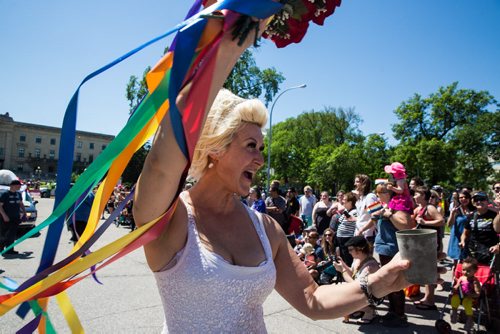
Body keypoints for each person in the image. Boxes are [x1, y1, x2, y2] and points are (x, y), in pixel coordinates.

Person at [133, 16, 411, 332]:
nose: (260, 160)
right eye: (251, 145)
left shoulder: (265, 227)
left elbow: (313, 299)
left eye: (261, 149)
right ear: (215, 147)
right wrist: (236, 40)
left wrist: (376, 285)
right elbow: (159, 163)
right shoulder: (170, 218)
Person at [373, 182, 414, 327]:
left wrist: (389, 215)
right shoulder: (387, 205)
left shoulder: (397, 206)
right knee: (388, 283)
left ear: (387, 193)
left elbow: (406, 225)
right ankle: (392, 311)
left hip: (393, 249)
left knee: (395, 283)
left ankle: (399, 315)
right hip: (384, 248)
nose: (377, 195)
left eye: (380, 192)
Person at [333, 236, 380, 324]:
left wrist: (342, 271)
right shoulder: (357, 259)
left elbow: (356, 287)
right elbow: (352, 273)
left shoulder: (370, 266)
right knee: (336, 289)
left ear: (359, 248)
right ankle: (357, 309)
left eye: (351, 249)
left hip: (371, 296)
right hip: (362, 292)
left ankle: (369, 311)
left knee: (342, 298)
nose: (349, 252)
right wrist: (343, 264)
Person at [412, 186, 444, 311]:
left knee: (430, 272)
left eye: (417, 194)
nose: (414, 196)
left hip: (430, 244)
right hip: (422, 244)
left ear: (424, 196)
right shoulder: (419, 208)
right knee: (426, 272)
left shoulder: (430, 208)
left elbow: (441, 221)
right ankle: (427, 298)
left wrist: (426, 223)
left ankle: (430, 300)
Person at [460, 191, 500, 265]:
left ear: (487, 201)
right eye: (476, 199)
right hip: (472, 252)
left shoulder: (495, 215)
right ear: (473, 202)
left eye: (482, 199)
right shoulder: (470, 216)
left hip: (490, 253)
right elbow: (465, 233)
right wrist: (462, 241)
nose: (479, 201)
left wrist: (498, 246)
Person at [450, 257, 481, 332]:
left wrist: (471, 295)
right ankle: (454, 313)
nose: (465, 272)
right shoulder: (461, 278)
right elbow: (457, 286)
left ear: (475, 271)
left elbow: (478, 293)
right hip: (459, 295)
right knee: (454, 299)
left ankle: (470, 320)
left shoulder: (475, 281)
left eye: (468, 271)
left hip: (468, 297)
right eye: (463, 270)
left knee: (467, 304)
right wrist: (454, 288)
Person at [447, 190, 474, 266]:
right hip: (457, 238)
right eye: (461, 197)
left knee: (468, 263)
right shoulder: (456, 210)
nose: (463, 199)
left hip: (469, 238)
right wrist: (452, 214)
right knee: (456, 263)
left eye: (465, 197)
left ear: (469, 198)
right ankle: (455, 277)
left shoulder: (474, 210)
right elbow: (449, 224)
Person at [0, 180, 26, 255]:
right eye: (18, 185)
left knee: (12, 234)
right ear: (12, 186)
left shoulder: (18, 194)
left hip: (15, 217)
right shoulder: (5, 194)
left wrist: (24, 213)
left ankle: (10, 250)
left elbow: (21, 204)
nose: (20, 186)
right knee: (3, 234)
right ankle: (1, 249)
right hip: (5, 218)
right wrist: (4, 215)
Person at [335, 192, 358, 267]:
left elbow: (358, 220)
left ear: (350, 202)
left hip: (347, 239)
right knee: (342, 259)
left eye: (344, 199)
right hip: (341, 239)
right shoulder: (346, 211)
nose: (342, 201)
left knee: (348, 260)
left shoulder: (354, 212)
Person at [353, 174, 378, 243]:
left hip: (368, 236)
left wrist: (362, 230)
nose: (355, 184)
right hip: (359, 234)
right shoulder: (360, 198)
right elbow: (363, 217)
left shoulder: (370, 197)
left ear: (364, 184)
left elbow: (375, 217)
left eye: (357, 182)